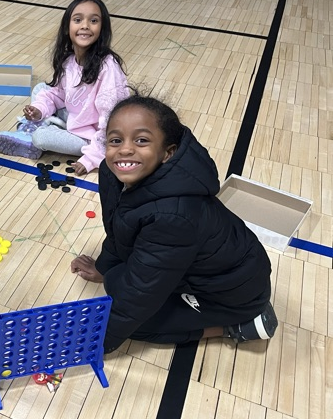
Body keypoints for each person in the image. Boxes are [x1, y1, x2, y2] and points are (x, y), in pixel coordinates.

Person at [71, 95, 277, 353]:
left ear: (167, 153)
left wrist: (97, 342)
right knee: (115, 280)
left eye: (141, 140)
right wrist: (104, 269)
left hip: (231, 295)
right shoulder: (111, 174)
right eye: (116, 140)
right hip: (190, 268)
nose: (124, 149)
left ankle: (237, 327)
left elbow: (139, 298)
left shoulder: (173, 216)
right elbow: (117, 229)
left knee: (137, 324)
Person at [0, 0, 128, 175]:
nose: (85, 26)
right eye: (78, 20)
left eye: (94, 20)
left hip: (91, 137)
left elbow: (112, 120)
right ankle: (38, 122)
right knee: (41, 89)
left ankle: (33, 137)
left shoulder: (108, 67)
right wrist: (38, 110)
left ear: (102, 29)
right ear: (67, 28)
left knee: (41, 137)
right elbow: (57, 94)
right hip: (76, 117)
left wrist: (92, 158)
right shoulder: (69, 60)